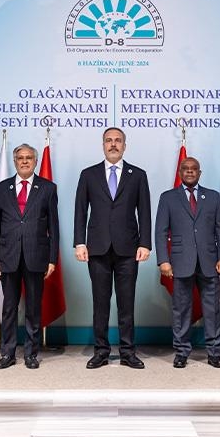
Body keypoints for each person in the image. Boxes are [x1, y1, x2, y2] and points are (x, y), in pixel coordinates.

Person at [74, 127, 151, 369]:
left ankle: (128, 352)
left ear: (125, 146)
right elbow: (80, 210)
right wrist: (79, 242)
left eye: (118, 140)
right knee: (100, 303)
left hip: (128, 249)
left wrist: (145, 243)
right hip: (97, 248)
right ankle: (101, 352)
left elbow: (145, 211)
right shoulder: (88, 174)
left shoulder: (138, 175)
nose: (113, 144)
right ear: (103, 145)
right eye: (109, 140)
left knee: (127, 303)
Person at [155, 157, 220, 369]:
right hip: (180, 262)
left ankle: (214, 352)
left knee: (212, 310)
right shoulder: (168, 197)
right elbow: (160, 232)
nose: (189, 171)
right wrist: (163, 260)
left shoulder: (213, 197)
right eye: (185, 168)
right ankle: (181, 352)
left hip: (210, 262)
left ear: (200, 172)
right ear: (180, 172)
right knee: (181, 310)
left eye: (194, 169)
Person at [0, 144, 59, 370]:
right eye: (20, 158)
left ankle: (31, 353)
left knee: (33, 308)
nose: (25, 161)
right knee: (9, 308)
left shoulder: (48, 188)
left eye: (29, 157)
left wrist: (52, 259)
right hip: (8, 256)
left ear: (35, 161)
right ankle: (8, 353)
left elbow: (53, 227)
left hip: (36, 255)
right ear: (15, 161)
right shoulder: (1, 189)